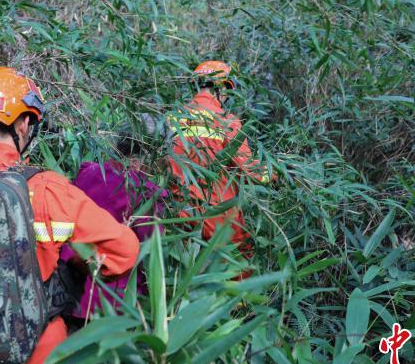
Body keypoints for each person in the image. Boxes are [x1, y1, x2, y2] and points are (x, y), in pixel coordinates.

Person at [0, 66, 140, 364]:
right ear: (23, 123)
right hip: (36, 354)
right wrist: (82, 265)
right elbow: (123, 252)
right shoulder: (45, 189)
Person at [168, 61, 272, 278]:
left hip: (182, 213)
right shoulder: (226, 121)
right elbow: (250, 170)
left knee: (189, 274)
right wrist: (274, 174)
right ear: (221, 87)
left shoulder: (172, 119)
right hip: (220, 212)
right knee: (237, 265)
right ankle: (237, 311)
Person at [60, 116, 168, 322]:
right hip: (110, 304)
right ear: (153, 153)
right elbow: (151, 255)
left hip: (67, 290)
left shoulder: (89, 172)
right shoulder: (146, 193)